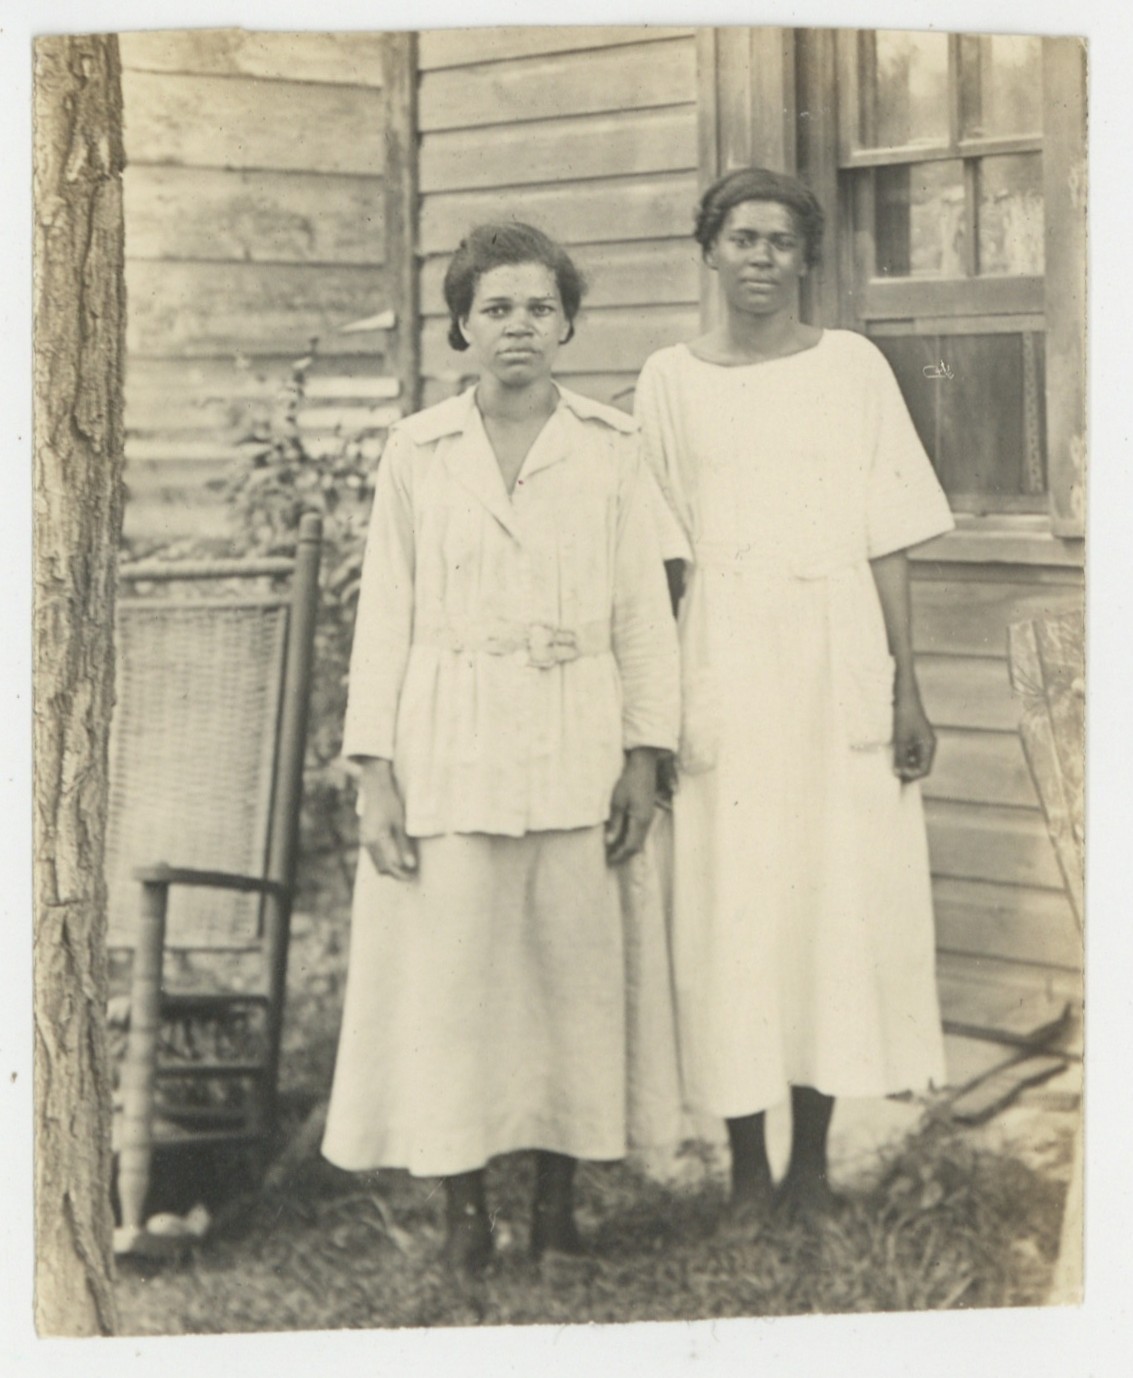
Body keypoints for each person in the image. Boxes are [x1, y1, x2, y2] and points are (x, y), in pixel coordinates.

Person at [321, 223, 680, 1274]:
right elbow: (382, 614)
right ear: (460, 328)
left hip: (574, 738)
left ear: (567, 321)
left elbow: (639, 614)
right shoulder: (418, 450)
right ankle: (464, 1209)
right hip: (449, 746)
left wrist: (643, 756)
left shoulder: (612, 446)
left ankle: (559, 1210)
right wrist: (374, 773)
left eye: (537, 307)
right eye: (494, 309)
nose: (516, 327)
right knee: (455, 985)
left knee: (571, 979)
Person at [634, 167, 955, 1221]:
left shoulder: (852, 368)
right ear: (709, 252)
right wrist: (653, 708)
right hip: (721, 653)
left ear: (805, 257)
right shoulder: (668, 380)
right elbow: (657, 566)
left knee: (825, 900)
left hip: (834, 657)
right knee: (731, 906)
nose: (760, 258)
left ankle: (810, 1163)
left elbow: (890, 536)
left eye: (779, 241)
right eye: (740, 238)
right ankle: (742, 1171)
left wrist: (907, 686)